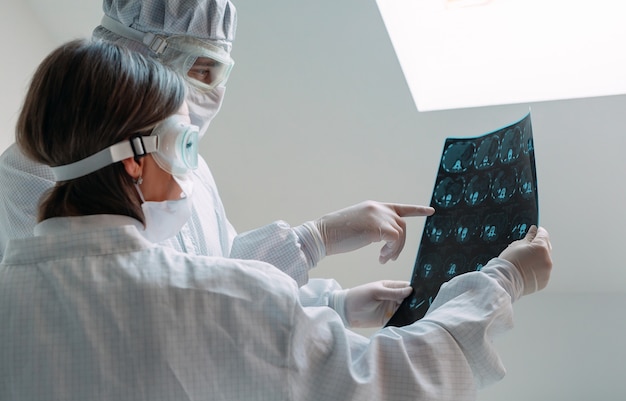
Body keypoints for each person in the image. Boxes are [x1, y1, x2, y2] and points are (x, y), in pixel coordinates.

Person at [0, 39, 552, 401]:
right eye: (183, 146)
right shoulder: (217, 301)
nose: (190, 173)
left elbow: (207, 303)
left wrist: (332, 305)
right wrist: (501, 282)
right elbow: (398, 389)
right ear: (133, 160)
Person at [0, 0, 434, 329]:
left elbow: (223, 267)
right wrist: (311, 241)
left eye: (219, 73)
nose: (215, 94)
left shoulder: (185, 164)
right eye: (201, 70)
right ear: (135, 54)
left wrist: (331, 303)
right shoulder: (44, 170)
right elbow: (165, 307)